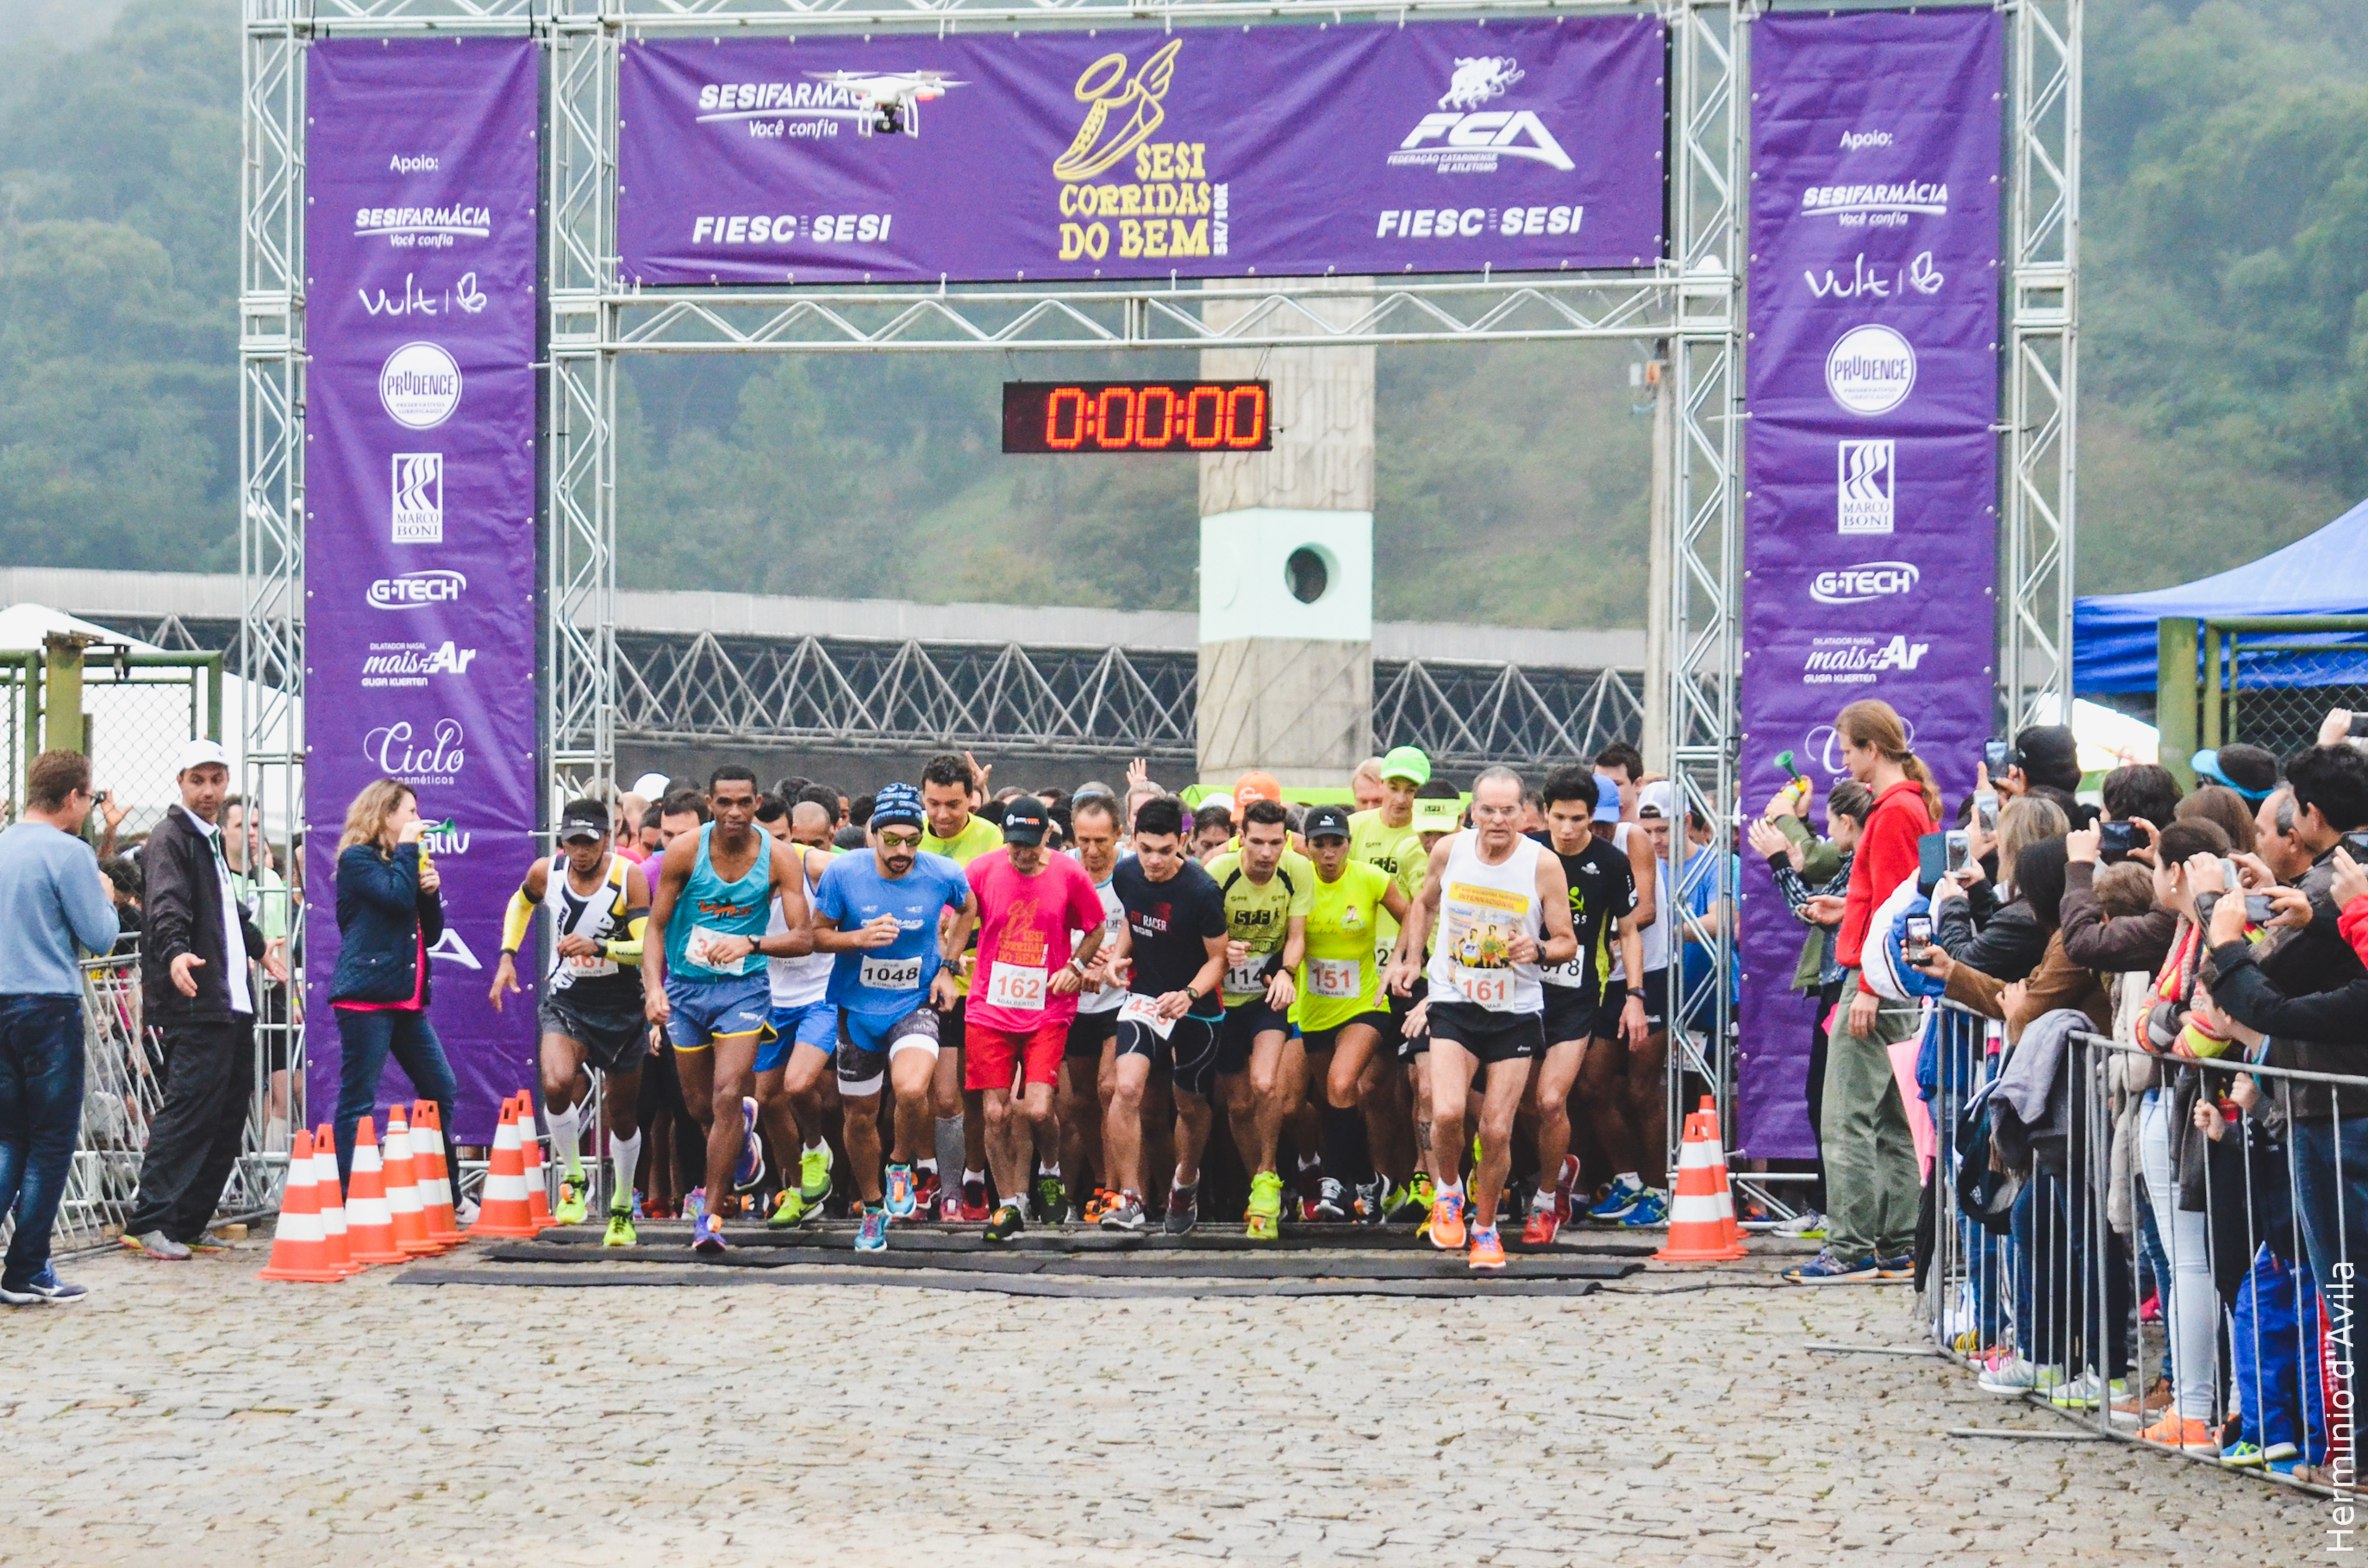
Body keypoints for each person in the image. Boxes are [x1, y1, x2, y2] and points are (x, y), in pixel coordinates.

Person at [1391, 766, 1575, 1270]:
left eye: (1507, 810)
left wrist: (1537, 949)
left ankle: (1486, 1228)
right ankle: (1449, 1191)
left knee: (1495, 1128)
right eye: (1488, 810)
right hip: (1454, 999)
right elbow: (1423, 904)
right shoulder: (1449, 851)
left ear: (1523, 813)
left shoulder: (1542, 864)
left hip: (1515, 1009)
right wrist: (1411, 959)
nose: (1497, 820)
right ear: (1472, 812)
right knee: (1448, 1111)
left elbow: (1566, 941)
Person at [1784, 698, 1937, 1285]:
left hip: (1875, 979)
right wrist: (1846, 907)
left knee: (1844, 1116)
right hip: (1897, 980)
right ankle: (1897, 1243)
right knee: (1893, 1118)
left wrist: (1870, 983)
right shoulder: (1908, 806)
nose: (1843, 760)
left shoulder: (1893, 811)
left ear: (1873, 749)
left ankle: (1848, 1248)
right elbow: (1901, 900)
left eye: (1848, 749)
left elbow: (1899, 908)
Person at [121, 740, 289, 1261]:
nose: (209, 791)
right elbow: (166, 903)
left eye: (217, 780)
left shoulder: (207, 840)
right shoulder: (171, 838)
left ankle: (189, 1221)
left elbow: (225, 908)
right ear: (181, 783)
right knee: (190, 1112)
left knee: (227, 1117)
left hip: (228, 1000)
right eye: (199, 780)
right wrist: (174, 952)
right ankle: (150, 1221)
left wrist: (258, 948)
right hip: (197, 1000)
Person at [640, 766, 813, 1256]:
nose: (734, 812)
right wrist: (653, 989)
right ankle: (741, 1138)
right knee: (699, 1107)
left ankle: (711, 1217)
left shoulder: (779, 857)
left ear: (757, 803)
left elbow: (803, 938)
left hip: (744, 990)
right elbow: (655, 927)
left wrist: (750, 943)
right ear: (709, 804)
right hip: (687, 990)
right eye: (724, 803)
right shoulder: (684, 851)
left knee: (728, 1092)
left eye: (744, 802)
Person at [812, 783, 972, 1252]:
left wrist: (947, 967)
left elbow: (968, 909)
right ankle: (872, 1208)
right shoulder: (843, 873)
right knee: (859, 1117)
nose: (903, 851)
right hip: (857, 1009)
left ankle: (901, 1163)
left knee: (912, 1090)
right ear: (873, 835)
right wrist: (856, 939)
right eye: (892, 840)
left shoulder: (942, 872)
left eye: (913, 840)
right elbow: (817, 935)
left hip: (913, 1003)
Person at [490, 799, 652, 1247]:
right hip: (569, 999)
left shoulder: (629, 877)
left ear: (607, 839)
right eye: (572, 842)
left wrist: (600, 948)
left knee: (622, 1115)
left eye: (589, 842)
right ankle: (574, 1178)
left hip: (622, 1004)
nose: (580, 851)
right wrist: (507, 956)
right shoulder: (547, 871)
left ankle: (622, 1206)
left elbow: (645, 948)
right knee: (557, 1082)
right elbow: (520, 904)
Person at [0, 751, 119, 1303]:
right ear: (72, 797)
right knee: (51, 1142)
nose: (89, 807)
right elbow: (100, 936)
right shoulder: (70, 853)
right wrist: (107, 897)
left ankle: (25, 1266)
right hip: (47, 1004)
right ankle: (27, 1267)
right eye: (89, 798)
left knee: (8, 1136)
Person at [964, 795, 1109, 1239]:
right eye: (1014, 845)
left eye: (1030, 844)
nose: (1022, 854)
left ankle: (1049, 1173)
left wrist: (1076, 967)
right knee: (995, 1112)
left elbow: (1096, 927)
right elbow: (953, 916)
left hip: (1047, 1008)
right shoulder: (982, 870)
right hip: (989, 1007)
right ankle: (1009, 1204)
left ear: (1047, 835)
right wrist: (949, 958)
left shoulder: (1069, 873)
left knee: (1040, 1111)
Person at [1747, 776, 1871, 1233]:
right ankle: (1829, 1205)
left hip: (1848, 984)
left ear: (1848, 823)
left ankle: (1838, 1211)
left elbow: (1807, 907)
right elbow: (1818, 902)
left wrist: (1779, 860)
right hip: (1839, 984)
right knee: (1823, 1099)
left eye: (1829, 824)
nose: (1826, 835)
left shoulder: (1861, 860)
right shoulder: (1857, 859)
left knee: (1832, 1102)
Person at [1102, 796, 1230, 1234]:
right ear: (1132, 840)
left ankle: (1185, 1182)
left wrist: (1190, 993)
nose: (1154, 861)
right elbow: (1132, 920)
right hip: (1147, 996)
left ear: (1183, 843)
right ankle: (1131, 1197)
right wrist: (1118, 956)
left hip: (1197, 1007)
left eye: (1165, 850)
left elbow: (1219, 960)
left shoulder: (1202, 891)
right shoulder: (1125, 874)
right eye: (1145, 849)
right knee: (1125, 1088)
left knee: (1189, 1104)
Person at [1525, 768, 1642, 1243]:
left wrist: (1634, 996)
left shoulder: (1611, 862)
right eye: (1559, 818)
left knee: (1552, 1100)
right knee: (1520, 1105)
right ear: (1545, 813)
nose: (1568, 829)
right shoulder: (1526, 852)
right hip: (1523, 992)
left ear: (1592, 817)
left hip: (1578, 995)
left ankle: (1544, 1202)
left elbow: (1629, 931)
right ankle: (1559, 1165)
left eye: (1578, 819)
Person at [327, 778, 458, 1186]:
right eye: (411, 812)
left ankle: (444, 1193)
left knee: (440, 1086)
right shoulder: (357, 860)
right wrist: (408, 851)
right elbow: (396, 897)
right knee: (359, 1099)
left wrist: (430, 893)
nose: (419, 819)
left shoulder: (403, 862)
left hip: (404, 999)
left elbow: (431, 933)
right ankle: (349, 1194)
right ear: (386, 815)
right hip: (366, 999)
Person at [1296, 803, 1413, 1223]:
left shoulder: (1370, 878)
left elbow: (1413, 915)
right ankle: (1370, 1181)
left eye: (1337, 843)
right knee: (1334, 1100)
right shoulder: (1298, 881)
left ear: (1349, 844)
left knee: (1343, 1082)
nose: (1329, 853)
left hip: (1365, 1003)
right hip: (1314, 1009)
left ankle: (1334, 1180)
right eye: (1319, 844)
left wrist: (1400, 960)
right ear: (1307, 847)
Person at [1206, 797, 1310, 1240]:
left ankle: (1268, 1173)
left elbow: (1297, 935)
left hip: (1268, 993)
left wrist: (1287, 971)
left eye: (1275, 843)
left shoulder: (1297, 869)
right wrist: (1221, 950)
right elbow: (1201, 934)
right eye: (1257, 843)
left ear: (1286, 839)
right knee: (1239, 1104)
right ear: (1241, 838)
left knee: (1266, 1084)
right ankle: (1260, 1186)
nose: (1267, 853)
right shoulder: (1218, 872)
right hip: (1224, 999)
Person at [1348, 747, 1435, 1221]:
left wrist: (1410, 958)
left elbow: (1421, 907)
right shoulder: (1357, 829)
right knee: (1371, 1087)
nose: (1401, 799)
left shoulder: (1432, 834)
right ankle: (1383, 1184)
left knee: (1424, 1085)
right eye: (1394, 787)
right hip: (1368, 975)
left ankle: (1426, 1178)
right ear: (1381, 786)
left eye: (1411, 790)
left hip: (1421, 973)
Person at [919, 753, 1003, 1221]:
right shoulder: (908, 834)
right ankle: (941, 1182)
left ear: (971, 799)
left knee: (974, 1095)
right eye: (933, 803)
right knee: (941, 1095)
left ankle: (974, 1179)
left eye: (953, 804)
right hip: (923, 984)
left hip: (977, 983)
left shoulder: (990, 837)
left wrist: (961, 946)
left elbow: (996, 906)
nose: (942, 814)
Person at [753, 795, 840, 1229]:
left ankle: (815, 1149)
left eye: (783, 839)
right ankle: (798, 1191)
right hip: (769, 999)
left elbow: (870, 871)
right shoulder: (733, 872)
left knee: (800, 1083)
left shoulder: (815, 865)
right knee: (767, 1099)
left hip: (821, 994)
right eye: (764, 840)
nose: (776, 850)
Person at [1059, 793, 1130, 1220]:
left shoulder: (1133, 870)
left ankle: (1118, 1187)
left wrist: (1116, 961)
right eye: (1083, 840)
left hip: (1121, 997)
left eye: (1101, 840)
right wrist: (1078, 962)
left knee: (1109, 1088)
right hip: (1074, 1001)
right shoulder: (1062, 868)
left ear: (1119, 834)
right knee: (1081, 1101)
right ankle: (1102, 1179)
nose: (1091, 850)